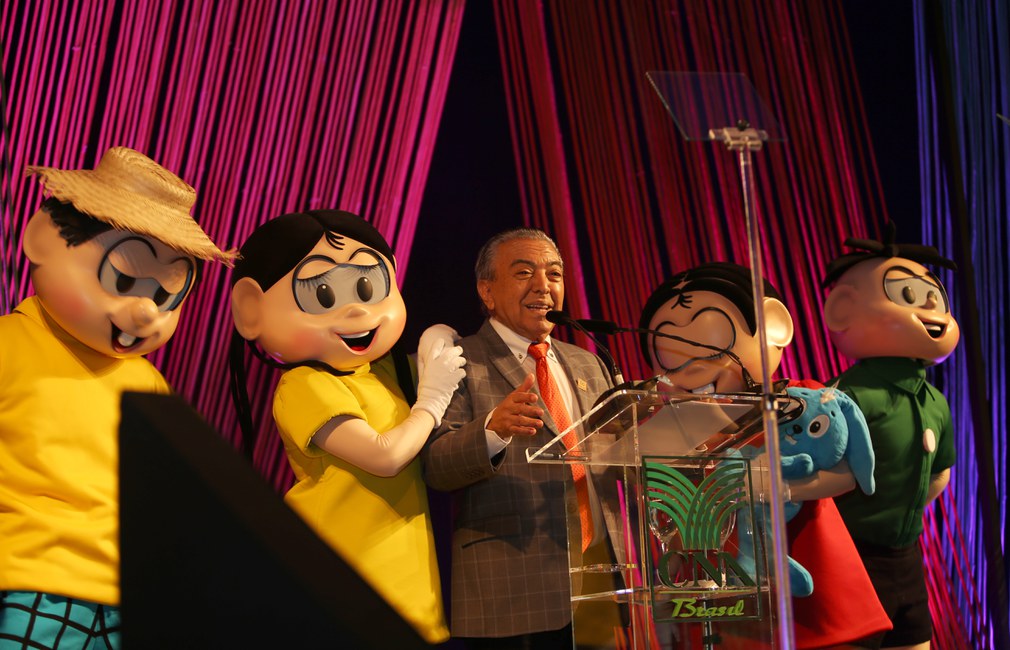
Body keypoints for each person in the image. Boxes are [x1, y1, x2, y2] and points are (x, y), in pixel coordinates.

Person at [0, 147, 235, 648]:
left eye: (166, 297)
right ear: (43, 238)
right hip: (31, 578)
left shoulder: (148, 384)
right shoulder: (9, 345)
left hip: (131, 598)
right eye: (124, 279)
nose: (147, 313)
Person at [228, 209, 465, 644]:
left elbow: (436, 362)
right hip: (340, 574)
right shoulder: (304, 385)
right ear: (251, 310)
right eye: (322, 292)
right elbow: (385, 456)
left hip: (409, 582)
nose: (356, 308)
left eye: (367, 286)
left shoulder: (382, 372)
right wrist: (432, 401)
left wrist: (436, 339)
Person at [638, 261, 891, 649]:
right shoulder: (672, 423)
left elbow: (847, 473)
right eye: (670, 347)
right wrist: (667, 586)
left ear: (774, 327)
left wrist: (782, 488)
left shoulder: (799, 399)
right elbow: (667, 510)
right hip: (718, 584)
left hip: (806, 558)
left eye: (707, 342)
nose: (690, 364)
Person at [420, 228, 615, 649]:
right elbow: (435, 466)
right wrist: (491, 430)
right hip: (512, 589)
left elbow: (614, 454)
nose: (543, 286)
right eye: (524, 272)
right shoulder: (458, 360)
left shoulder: (588, 362)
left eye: (554, 274)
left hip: (601, 581)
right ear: (487, 291)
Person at [821, 224, 959, 650]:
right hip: (853, 559)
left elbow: (939, 474)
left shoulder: (935, 400)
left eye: (935, 297)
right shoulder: (845, 397)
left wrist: (904, 507)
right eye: (909, 294)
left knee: (914, 639)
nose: (931, 307)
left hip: (907, 558)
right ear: (842, 309)